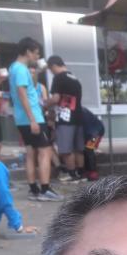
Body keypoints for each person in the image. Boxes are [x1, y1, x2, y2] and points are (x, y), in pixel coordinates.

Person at [9, 37, 62, 202]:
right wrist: (33, 119)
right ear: (28, 52)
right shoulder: (21, 69)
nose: (37, 57)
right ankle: (45, 189)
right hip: (32, 118)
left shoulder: (14, 68)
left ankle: (33, 189)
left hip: (22, 118)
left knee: (31, 153)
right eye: (36, 53)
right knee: (45, 151)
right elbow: (23, 95)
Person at [47, 55, 86, 183]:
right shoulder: (74, 78)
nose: (51, 72)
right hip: (78, 117)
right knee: (78, 148)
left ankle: (72, 174)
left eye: (50, 69)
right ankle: (81, 173)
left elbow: (55, 99)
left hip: (65, 118)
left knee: (66, 149)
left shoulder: (58, 78)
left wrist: (43, 104)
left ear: (53, 66)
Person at [81, 106, 105, 181]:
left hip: (95, 132)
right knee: (86, 150)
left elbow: (90, 126)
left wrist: (93, 137)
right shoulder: (81, 110)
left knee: (89, 149)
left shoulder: (82, 112)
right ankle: (88, 170)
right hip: (91, 132)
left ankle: (93, 172)